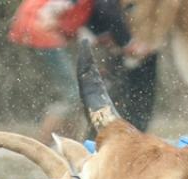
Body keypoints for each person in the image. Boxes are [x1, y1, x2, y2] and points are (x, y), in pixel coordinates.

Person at [8, 0, 158, 142]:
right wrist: (128, 44)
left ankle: (68, 143)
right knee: (73, 95)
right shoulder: (104, 5)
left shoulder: (85, 9)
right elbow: (108, 13)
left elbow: (84, 27)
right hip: (41, 32)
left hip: (31, 27)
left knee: (76, 96)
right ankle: (43, 145)